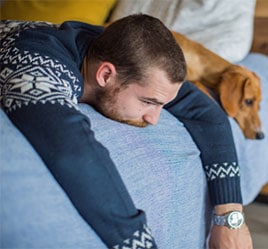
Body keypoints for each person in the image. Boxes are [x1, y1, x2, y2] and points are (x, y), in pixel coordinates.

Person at [0, 14, 253, 248]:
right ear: (106, 74)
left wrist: (230, 216)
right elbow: (72, 153)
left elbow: (208, 114)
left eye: (162, 105)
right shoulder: (35, 66)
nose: (154, 119)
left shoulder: (124, 55)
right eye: (148, 102)